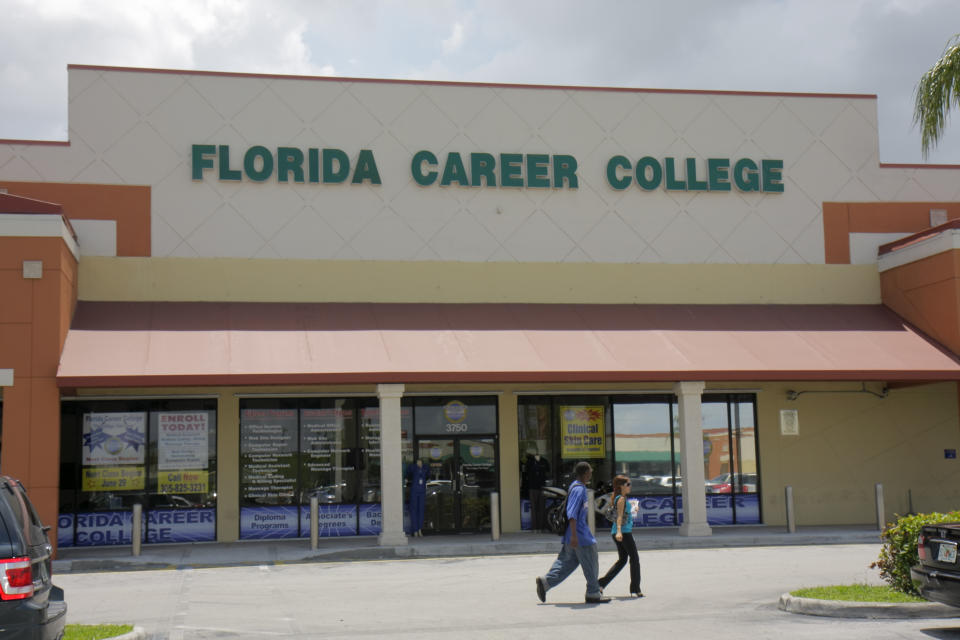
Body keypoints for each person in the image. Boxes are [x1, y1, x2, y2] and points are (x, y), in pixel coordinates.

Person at [535, 461, 610, 604]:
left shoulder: (574, 486)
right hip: (580, 536)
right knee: (591, 562)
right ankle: (593, 593)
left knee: (566, 563)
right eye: (590, 472)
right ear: (586, 473)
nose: (591, 474)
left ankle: (545, 583)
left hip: (572, 535)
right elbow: (572, 513)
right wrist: (575, 535)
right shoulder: (579, 489)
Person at [598, 474, 642, 597]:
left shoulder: (620, 498)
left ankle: (601, 584)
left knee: (623, 560)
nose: (630, 486)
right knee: (635, 559)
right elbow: (619, 517)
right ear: (621, 486)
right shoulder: (621, 499)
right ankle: (635, 588)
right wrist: (619, 531)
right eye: (627, 484)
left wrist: (633, 510)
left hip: (621, 532)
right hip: (623, 533)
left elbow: (625, 515)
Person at [523, 450, 550, 532]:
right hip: (532, 487)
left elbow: (548, 471)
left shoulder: (544, 461)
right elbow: (526, 473)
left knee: (542, 508)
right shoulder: (530, 462)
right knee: (533, 508)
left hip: (542, 487)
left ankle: (541, 527)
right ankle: (534, 527)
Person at [407, 458, 429, 536]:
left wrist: (422, 467)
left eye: (420, 462)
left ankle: (419, 529)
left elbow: (427, 474)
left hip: (422, 491)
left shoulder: (425, 468)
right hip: (414, 491)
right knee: (414, 510)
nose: (419, 463)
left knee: (421, 511)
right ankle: (415, 530)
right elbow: (409, 470)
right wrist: (416, 466)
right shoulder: (413, 468)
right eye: (417, 462)